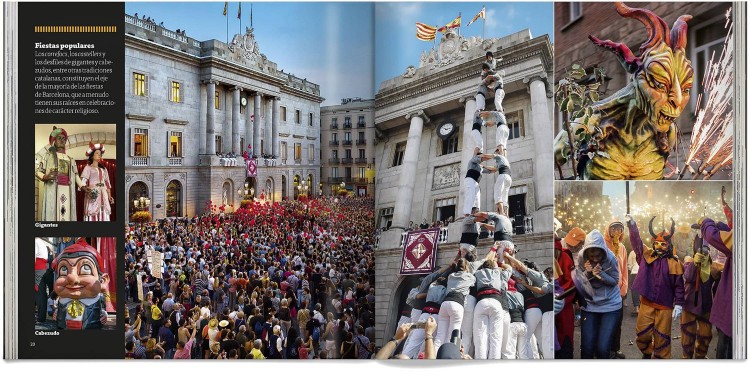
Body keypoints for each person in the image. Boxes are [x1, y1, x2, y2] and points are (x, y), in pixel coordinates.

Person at [627, 215, 684, 359]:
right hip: (646, 303)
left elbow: (679, 286)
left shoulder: (674, 263)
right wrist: (632, 226)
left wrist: (679, 304)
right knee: (642, 334)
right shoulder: (646, 256)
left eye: (663, 244)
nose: (659, 246)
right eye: (657, 243)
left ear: (669, 246)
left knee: (662, 338)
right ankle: (647, 353)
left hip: (665, 307)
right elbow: (637, 243)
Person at [572, 230, 622, 359]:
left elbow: (615, 281)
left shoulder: (611, 258)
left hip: (610, 305)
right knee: (587, 348)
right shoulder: (582, 257)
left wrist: (601, 275)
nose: (595, 259)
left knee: (602, 348)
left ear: (603, 253)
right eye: (592, 256)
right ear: (587, 252)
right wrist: (588, 274)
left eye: (598, 256)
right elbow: (580, 283)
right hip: (590, 305)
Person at [52, 239, 109, 330]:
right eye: (63, 270)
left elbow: (101, 310)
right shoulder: (62, 300)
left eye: (85, 269)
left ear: (102, 281)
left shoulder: (99, 299)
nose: (72, 278)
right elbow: (60, 311)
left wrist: (104, 314)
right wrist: (57, 312)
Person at [36, 126, 85, 221]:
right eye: (59, 138)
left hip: (68, 190)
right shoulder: (47, 156)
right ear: (54, 140)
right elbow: (38, 171)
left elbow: (75, 175)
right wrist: (45, 176)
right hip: (53, 189)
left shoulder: (71, 159)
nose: (62, 140)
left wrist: (82, 187)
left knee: (67, 214)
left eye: (64, 138)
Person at [472, 250, 513, 359]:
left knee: (481, 336)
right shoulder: (498, 273)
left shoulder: (477, 273)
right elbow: (509, 268)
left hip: (481, 302)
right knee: (496, 337)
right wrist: (498, 262)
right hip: (496, 303)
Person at [603, 221, 628, 358]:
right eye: (614, 228)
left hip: (618, 292)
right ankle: (605, 349)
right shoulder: (602, 245)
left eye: (620, 228)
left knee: (617, 322)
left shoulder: (623, 247)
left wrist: (624, 287)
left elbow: (624, 270)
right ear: (608, 229)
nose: (617, 231)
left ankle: (616, 348)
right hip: (605, 291)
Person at [80, 142, 114, 221]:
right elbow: (83, 182)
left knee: (104, 211)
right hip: (93, 194)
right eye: (97, 153)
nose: (99, 155)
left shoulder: (104, 169)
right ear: (92, 156)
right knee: (93, 212)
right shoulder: (88, 168)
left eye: (100, 154)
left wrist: (109, 196)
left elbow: (107, 184)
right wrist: (88, 190)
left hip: (103, 194)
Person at [461, 150, 495, 217]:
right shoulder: (473, 160)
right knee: (470, 196)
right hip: (470, 180)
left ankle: (475, 213)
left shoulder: (480, 167)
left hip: (476, 183)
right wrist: (493, 156)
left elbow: (493, 170)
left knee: (477, 198)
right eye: (481, 157)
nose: (483, 159)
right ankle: (467, 214)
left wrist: (484, 166)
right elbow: (482, 157)